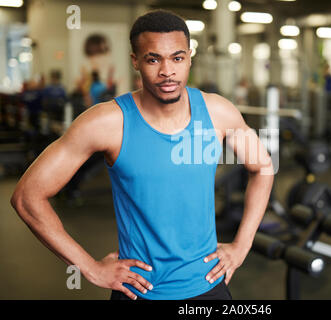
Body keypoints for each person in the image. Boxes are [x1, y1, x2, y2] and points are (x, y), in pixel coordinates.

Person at [10, 10, 274, 301]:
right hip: (139, 292)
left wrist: (241, 245)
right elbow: (27, 196)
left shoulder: (219, 112)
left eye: (177, 58)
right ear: (135, 60)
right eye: (153, 59)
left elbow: (262, 167)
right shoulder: (106, 122)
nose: (167, 71)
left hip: (209, 286)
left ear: (189, 57)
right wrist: (90, 268)